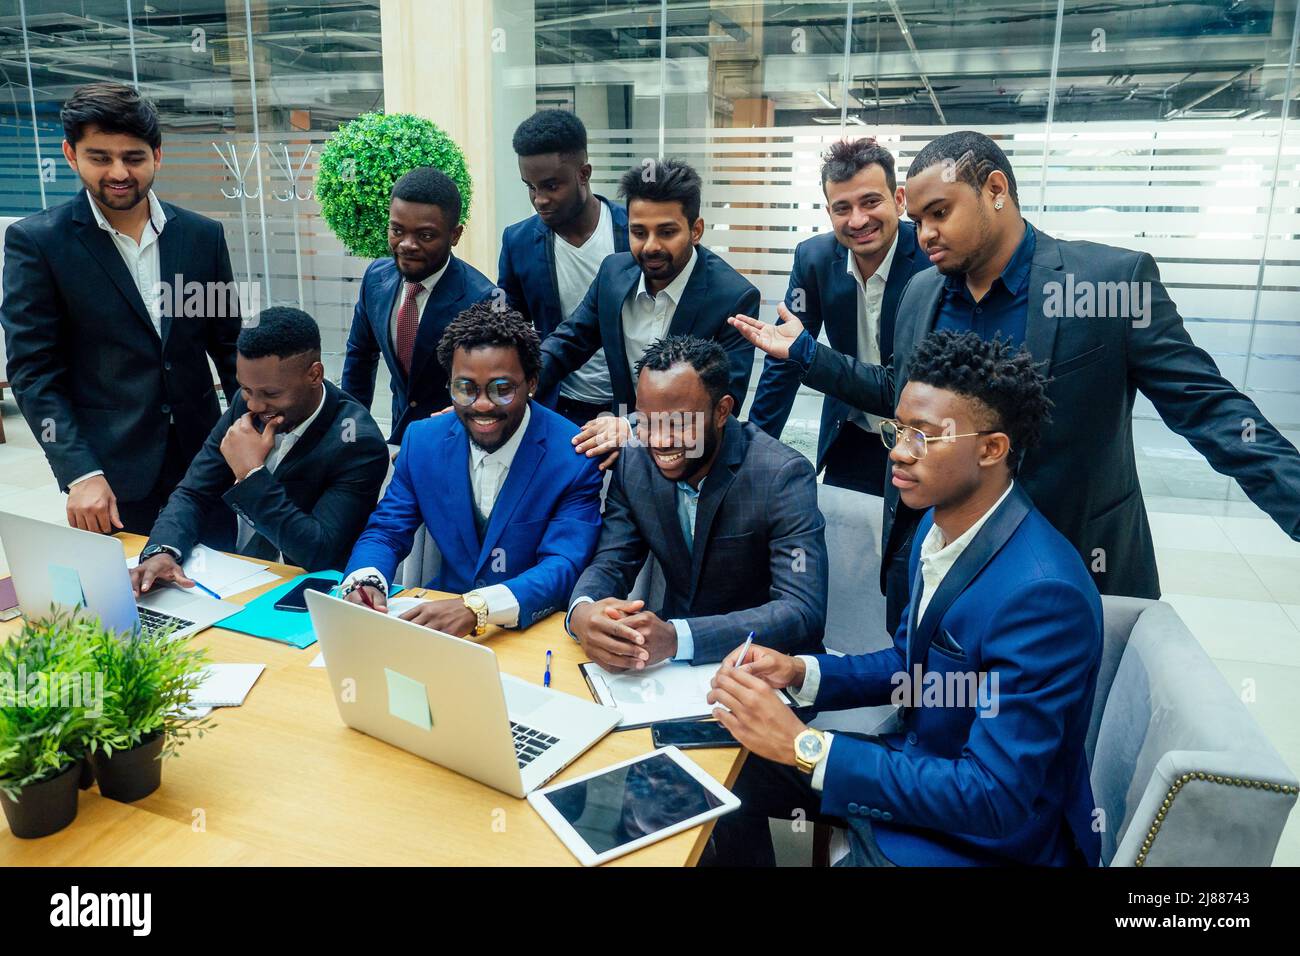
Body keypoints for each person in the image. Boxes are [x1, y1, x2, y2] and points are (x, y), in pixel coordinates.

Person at [730, 129, 1300, 636]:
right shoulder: (922, 294)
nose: (923, 234)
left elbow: (1209, 408)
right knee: (935, 716)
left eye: (939, 213)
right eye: (920, 219)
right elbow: (896, 396)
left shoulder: (1107, 284)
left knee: (1056, 739)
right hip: (939, 560)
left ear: (996, 190)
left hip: (1070, 562)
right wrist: (807, 354)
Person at [705, 330, 1102, 867]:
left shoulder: (1042, 595)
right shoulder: (935, 530)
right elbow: (909, 667)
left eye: (924, 436)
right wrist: (799, 671)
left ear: (991, 449)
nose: (897, 450)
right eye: (898, 429)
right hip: (925, 768)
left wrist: (807, 746)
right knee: (730, 761)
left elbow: (995, 796)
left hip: (984, 837)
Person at [1, 82, 241, 535]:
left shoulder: (200, 236)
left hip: (206, 466)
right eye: (100, 157)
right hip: (110, 480)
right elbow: (34, 374)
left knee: (230, 591)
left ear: (157, 155)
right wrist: (79, 471)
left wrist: (249, 434)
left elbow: (230, 349)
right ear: (71, 155)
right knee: (134, 602)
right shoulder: (38, 243)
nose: (118, 172)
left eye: (133, 158)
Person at [339, 302, 603, 637]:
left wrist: (478, 607)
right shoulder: (422, 441)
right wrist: (365, 580)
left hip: (534, 631)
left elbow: (563, 565)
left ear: (532, 383)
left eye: (501, 389)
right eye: (465, 388)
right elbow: (386, 531)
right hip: (440, 629)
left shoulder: (574, 456)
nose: (482, 405)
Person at [566, 336, 826, 668]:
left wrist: (678, 637)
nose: (659, 441)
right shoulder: (634, 462)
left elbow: (801, 610)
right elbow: (612, 563)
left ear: (722, 411)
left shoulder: (782, 476)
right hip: (666, 666)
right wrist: (584, 612)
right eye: (646, 421)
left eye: (678, 423)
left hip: (763, 669)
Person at [131, 307, 389, 590]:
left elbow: (319, 552)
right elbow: (193, 492)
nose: (254, 405)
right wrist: (162, 551)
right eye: (245, 389)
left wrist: (251, 475)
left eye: (271, 394)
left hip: (300, 591)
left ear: (314, 375)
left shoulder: (357, 442)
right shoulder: (249, 406)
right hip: (220, 574)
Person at [537, 159, 759, 471]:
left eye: (666, 232)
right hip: (624, 455)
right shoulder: (613, 273)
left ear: (696, 230)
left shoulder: (733, 297)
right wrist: (518, 379)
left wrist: (631, 426)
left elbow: (722, 400)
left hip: (690, 455)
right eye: (638, 232)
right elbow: (569, 341)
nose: (651, 246)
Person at [745, 138, 929, 496]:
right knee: (846, 542)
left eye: (871, 202)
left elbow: (906, 382)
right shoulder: (813, 259)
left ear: (900, 200)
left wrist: (807, 353)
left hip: (922, 442)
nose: (858, 220)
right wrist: (751, 450)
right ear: (829, 213)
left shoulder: (930, 260)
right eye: (842, 208)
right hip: (852, 434)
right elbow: (785, 359)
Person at [340, 166, 496, 446]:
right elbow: (359, 358)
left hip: (455, 442)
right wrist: (352, 436)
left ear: (455, 235)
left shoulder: (481, 299)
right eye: (397, 230)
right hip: (399, 436)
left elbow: (486, 392)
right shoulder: (376, 278)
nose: (407, 245)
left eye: (425, 236)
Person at [497, 109, 629, 425]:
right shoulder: (518, 242)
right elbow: (508, 327)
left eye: (551, 186)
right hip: (557, 405)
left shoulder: (634, 233)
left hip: (629, 407)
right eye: (530, 186)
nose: (539, 199)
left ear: (583, 173)